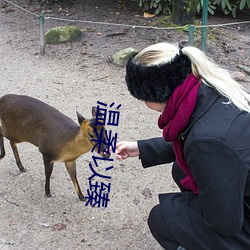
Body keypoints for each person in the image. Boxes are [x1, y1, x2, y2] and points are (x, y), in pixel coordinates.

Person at [114, 42, 250, 250]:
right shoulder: (208, 88)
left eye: (143, 97)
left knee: (162, 219)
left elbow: (225, 225)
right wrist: (141, 148)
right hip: (240, 185)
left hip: (240, 220)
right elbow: (190, 137)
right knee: (181, 169)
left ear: (157, 93)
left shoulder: (208, 143)